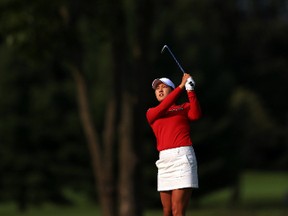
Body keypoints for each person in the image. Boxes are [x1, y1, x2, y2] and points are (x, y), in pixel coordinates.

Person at [146, 73, 202, 216]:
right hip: (164, 161)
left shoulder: (183, 108)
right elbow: (164, 106)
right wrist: (181, 86)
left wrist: (190, 90)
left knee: (178, 210)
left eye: (164, 87)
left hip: (182, 158)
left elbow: (195, 115)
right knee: (167, 211)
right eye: (157, 88)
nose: (159, 90)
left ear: (171, 90)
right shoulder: (152, 112)